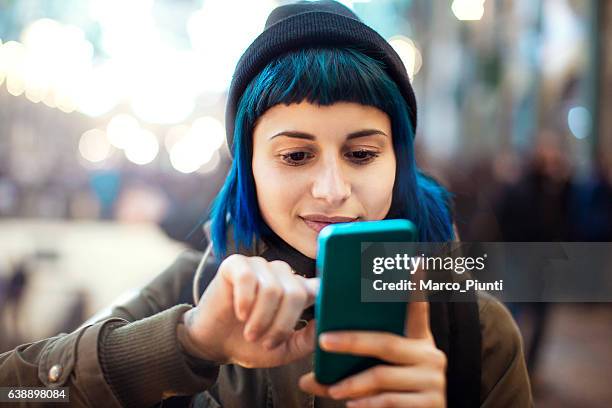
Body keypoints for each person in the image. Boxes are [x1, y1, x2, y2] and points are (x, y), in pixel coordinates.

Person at [0, 1, 532, 407]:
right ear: (249, 167)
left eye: (362, 153)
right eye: (296, 155)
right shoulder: (187, 292)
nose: (331, 189)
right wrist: (187, 346)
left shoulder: (473, 326)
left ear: (399, 161)